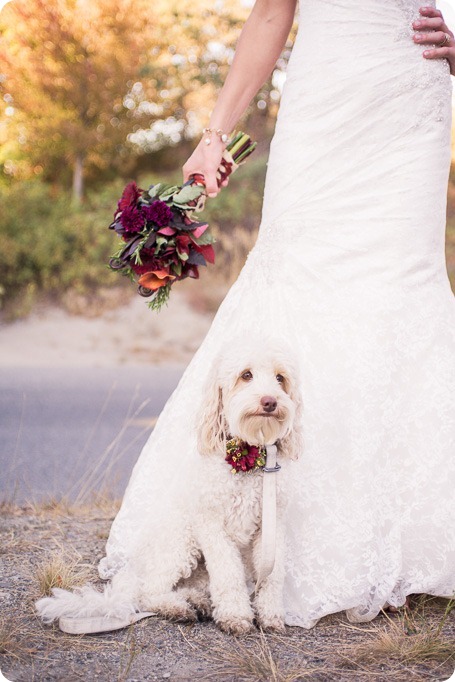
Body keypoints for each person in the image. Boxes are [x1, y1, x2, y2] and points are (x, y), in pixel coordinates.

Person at [98, 0, 455, 628]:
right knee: (297, 274)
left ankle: (410, 543)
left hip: (412, 101)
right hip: (324, 102)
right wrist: (215, 134)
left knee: (401, 286)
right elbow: (271, 14)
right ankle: (269, 533)